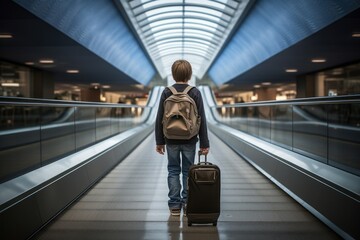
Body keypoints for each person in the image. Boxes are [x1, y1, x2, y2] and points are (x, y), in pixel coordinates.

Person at [155, 59, 210, 216]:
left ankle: (174, 205)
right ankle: (187, 202)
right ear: (190, 74)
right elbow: (202, 119)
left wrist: (159, 142)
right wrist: (204, 144)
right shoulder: (195, 92)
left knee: (173, 170)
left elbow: (160, 118)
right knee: (188, 170)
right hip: (190, 139)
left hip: (170, 139)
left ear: (173, 75)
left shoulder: (166, 92)